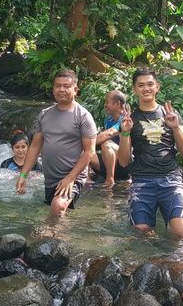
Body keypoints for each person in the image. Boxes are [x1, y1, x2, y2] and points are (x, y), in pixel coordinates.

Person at [117, 67, 183, 239]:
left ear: (157, 86)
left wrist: (175, 128)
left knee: (182, 235)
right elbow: (123, 161)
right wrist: (125, 132)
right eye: (141, 85)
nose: (146, 89)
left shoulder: (170, 115)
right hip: (142, 182)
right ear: (135, 89)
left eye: (150, 84)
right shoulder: (131, 119)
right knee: (142, 234)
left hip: (171, 180)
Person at [16, 69, 96, 217]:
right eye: (58, 86)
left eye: (66, 86)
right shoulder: (45, 114)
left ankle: (47, 237)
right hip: (50, 178)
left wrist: (70, 179)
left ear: (75, 89)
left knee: (58, 206)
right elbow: (35, 146)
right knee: (56, 212)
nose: (61, 89)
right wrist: (23, 175)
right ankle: (61, 238)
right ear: (53, 89)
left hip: (73, 177)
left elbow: (89, 152)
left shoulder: (83, 116)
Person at [89, 89, 131, 187]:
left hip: (123, 163)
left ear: (117, 104)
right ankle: (87, 179)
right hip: (110, 161)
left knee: (105, 143)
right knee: (87, 149)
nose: (105, 105)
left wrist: (88, 142)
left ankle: (110, 179)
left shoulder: (124, 120)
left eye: (107, 102)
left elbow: (110, 133)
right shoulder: (108, 120)